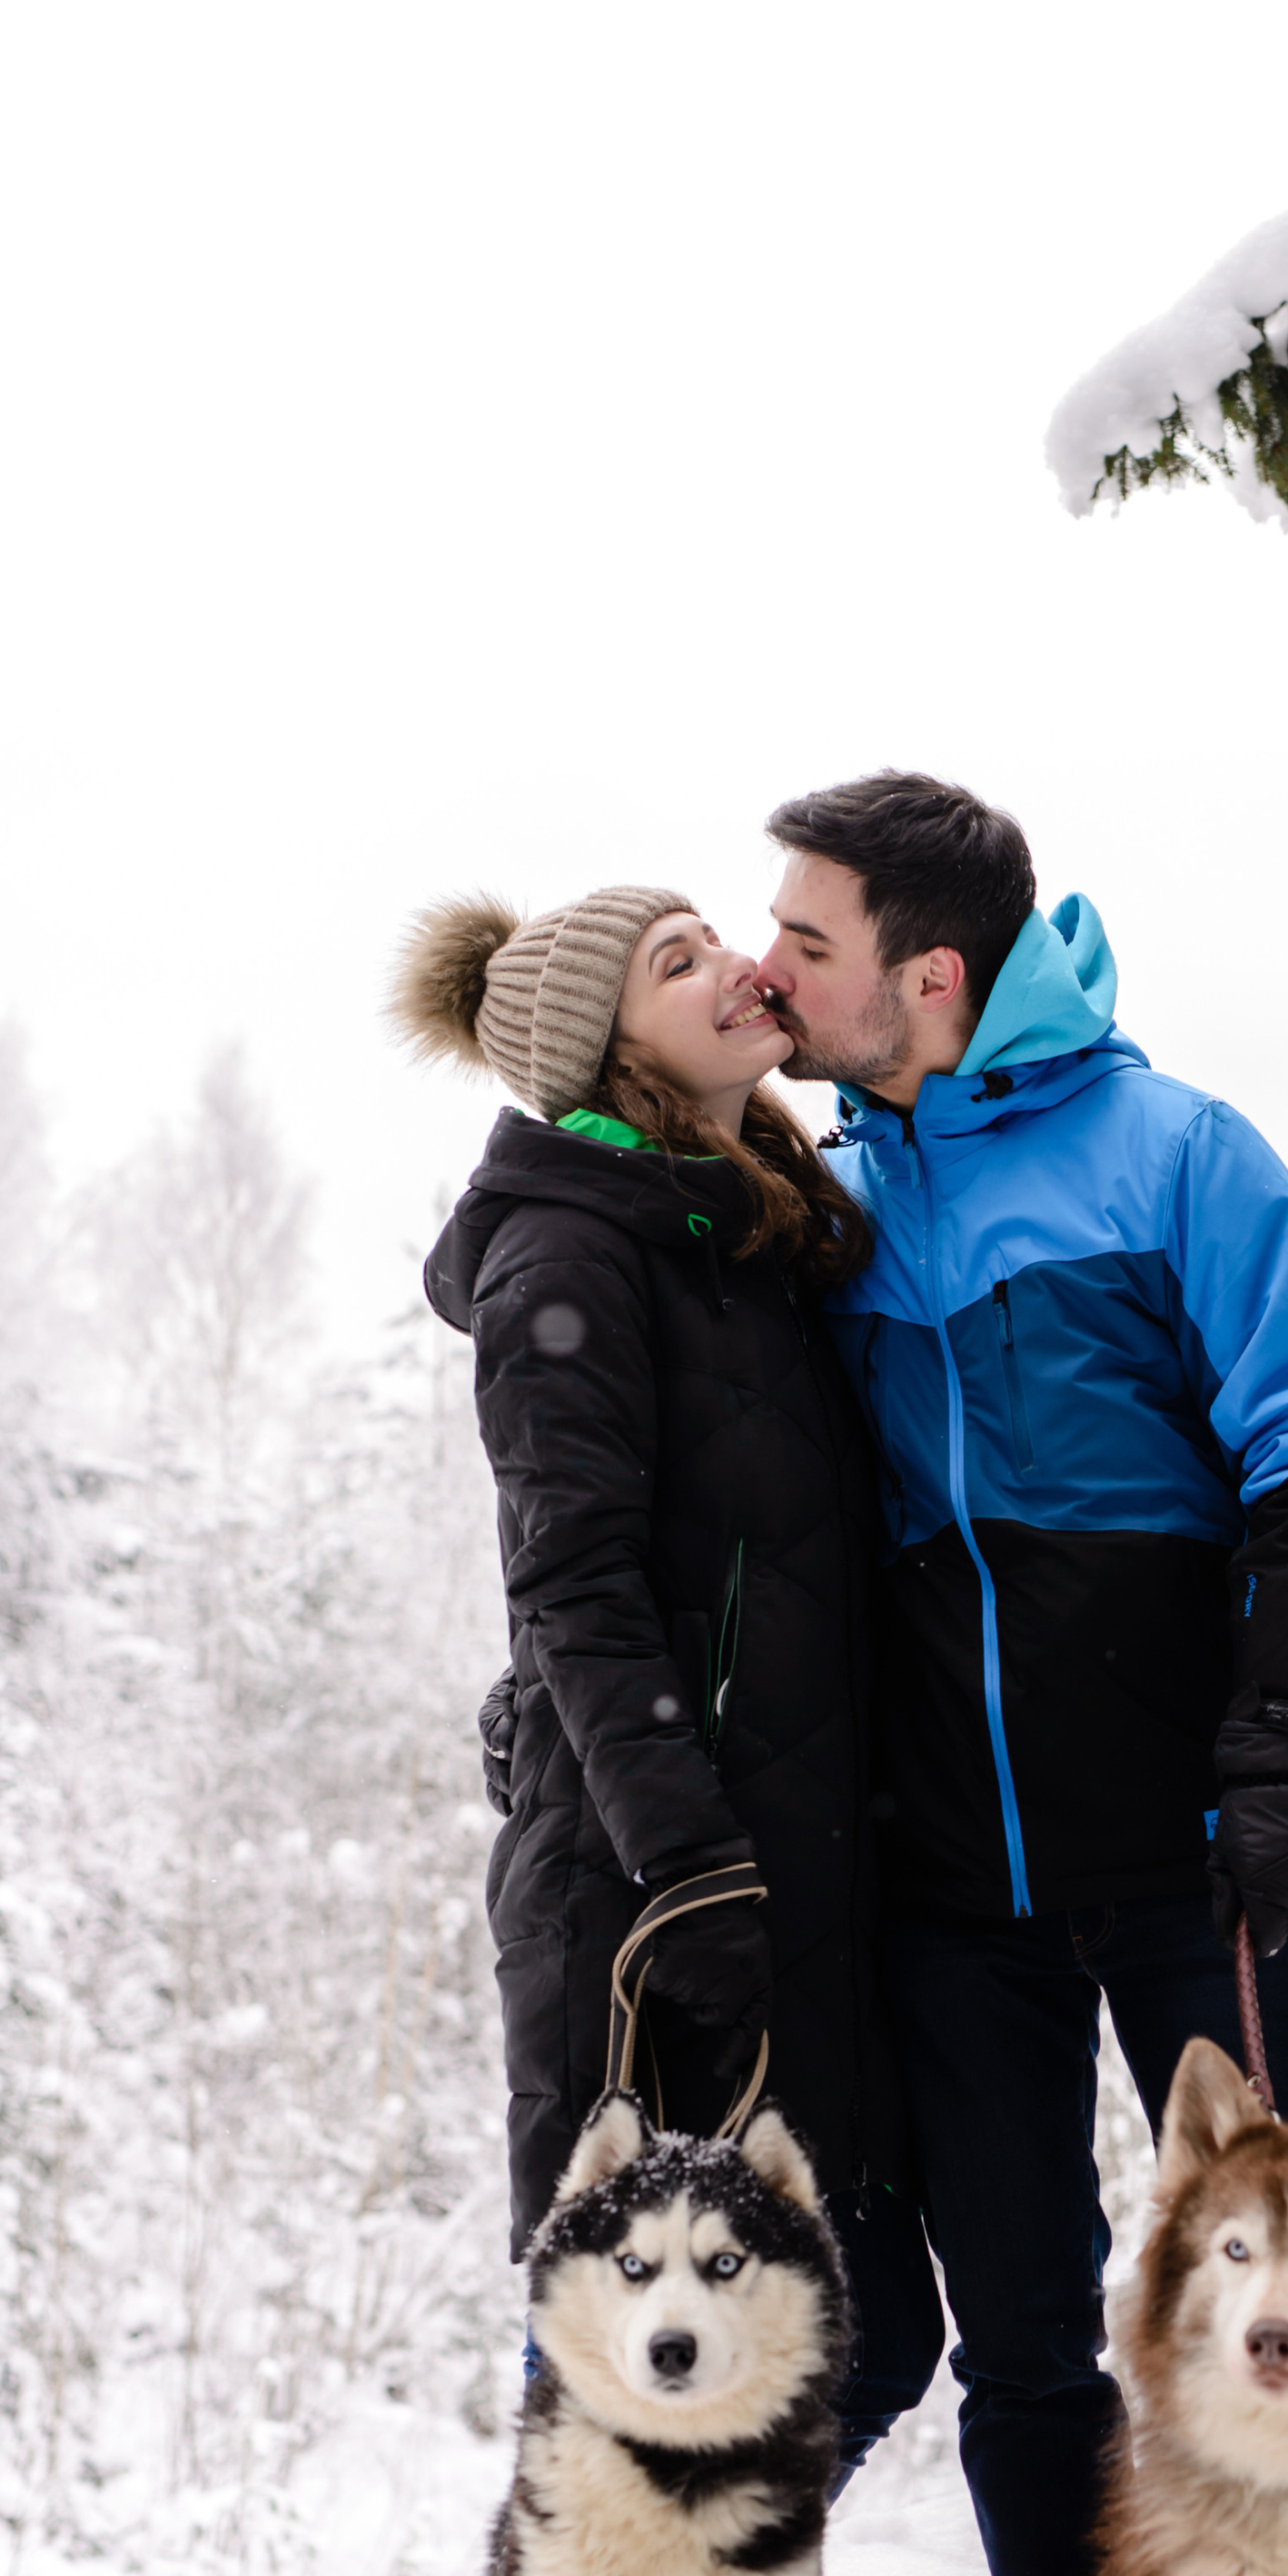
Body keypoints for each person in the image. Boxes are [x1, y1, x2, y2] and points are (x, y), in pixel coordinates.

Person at [750, 774, 1288, 2576]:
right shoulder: (829, 1201)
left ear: (926, 976)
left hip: (1202, 1855)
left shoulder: (1173, 1157)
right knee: (1027, 2344)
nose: (767, 968)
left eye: (803, 940)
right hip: (952, 1887)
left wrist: (1283, 1757)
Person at [395, 882, 899, 2260]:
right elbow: (576, 1579)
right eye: (679, 964)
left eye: (711, 935)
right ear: (614, 1052)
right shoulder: (569, 1252)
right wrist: (684, 1866)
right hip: (651, 1888)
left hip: (788, 1870)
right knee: (628, 2390)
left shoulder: (757, 1240)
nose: (742, 964)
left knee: (848, 2341)